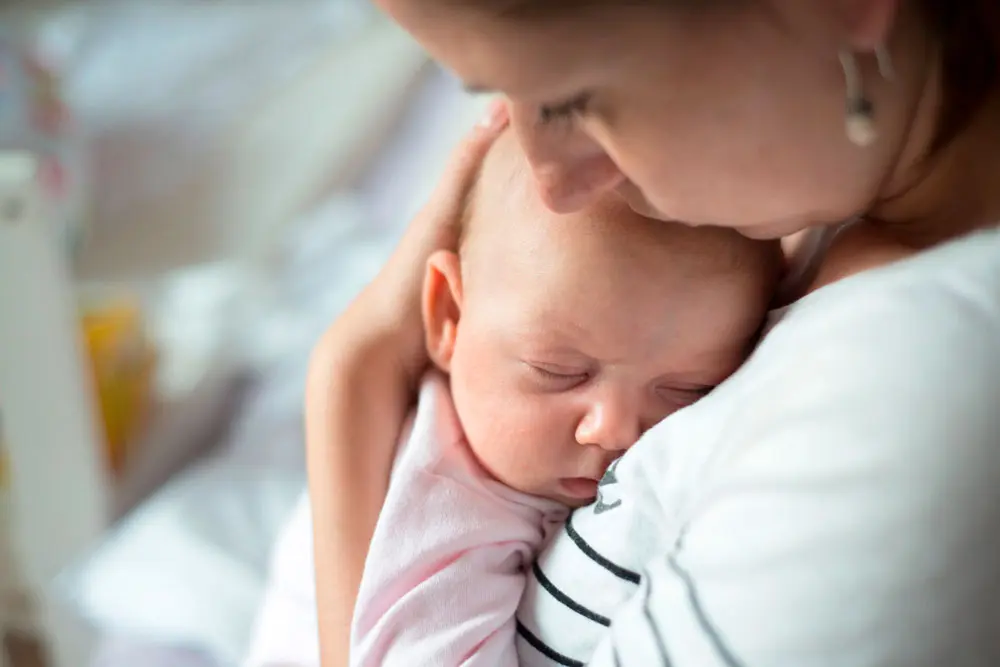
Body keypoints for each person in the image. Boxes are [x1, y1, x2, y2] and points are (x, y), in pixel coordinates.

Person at [305, 1, 1000, 665]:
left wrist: (352, 370)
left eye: (574, 99)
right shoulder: (815, 198)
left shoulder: (921, 390)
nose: (554, 182)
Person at [349, 130, 780, 666]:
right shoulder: (441, 507)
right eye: (558, 371)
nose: (616, 429)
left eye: (689, 389)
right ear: (449, 318)